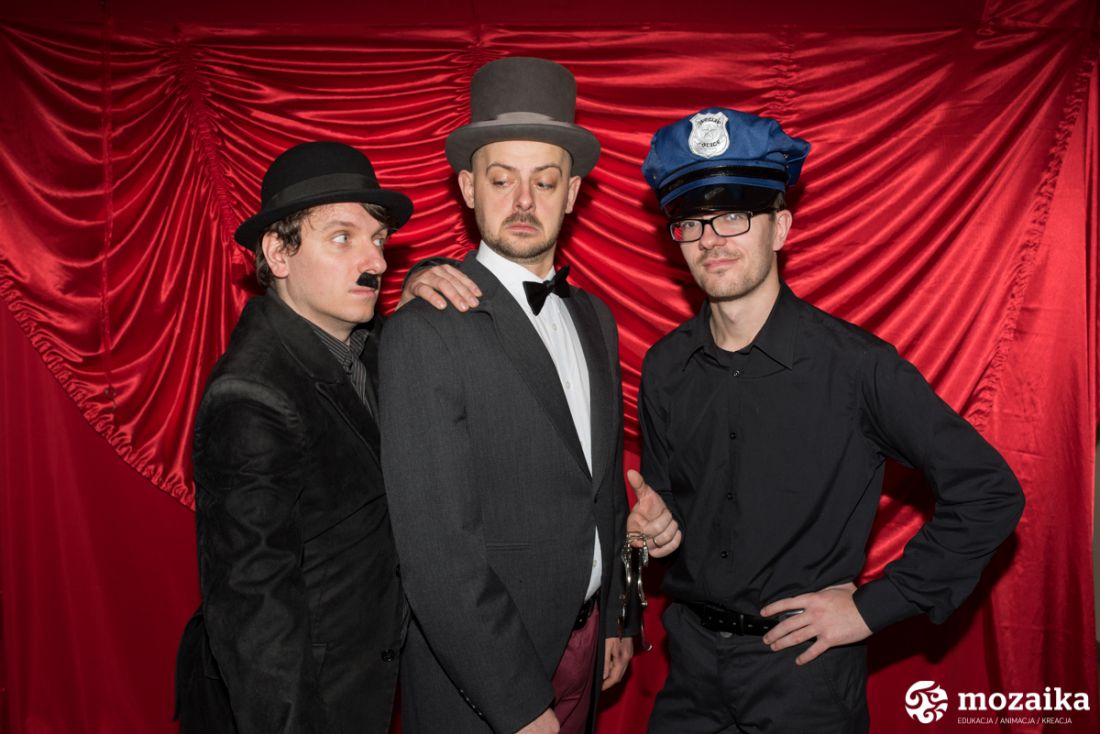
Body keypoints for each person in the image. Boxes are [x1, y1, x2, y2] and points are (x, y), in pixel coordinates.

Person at [626, 108, 1025, 733]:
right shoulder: (664, 367)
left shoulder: (858, 367)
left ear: (780, 228)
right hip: (690, 673)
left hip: (804, 679)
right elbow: (668, 511)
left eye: (734, 216)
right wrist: (654, 532)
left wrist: (873, 608)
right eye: (692, 222)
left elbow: (989, 492)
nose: (712, 239)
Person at [174, 141, 472, 733]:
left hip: (364, 684)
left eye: (378, 240)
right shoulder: (252, 397)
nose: (375, 262)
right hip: (301, 705)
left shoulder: (359, 343)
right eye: (342, 237)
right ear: (277, 254)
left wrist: (421, 276)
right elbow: (254, 608)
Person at [379, 57, 634, 734]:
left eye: (544, 181)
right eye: (502, 180)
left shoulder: (596, 318)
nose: (524, 200)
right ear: (468, 187)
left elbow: (603, 485)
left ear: (571, 193)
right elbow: (438, 555)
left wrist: (613, 617)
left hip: (586, 646)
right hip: (487, 680)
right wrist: (518, 706)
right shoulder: (425, 331)